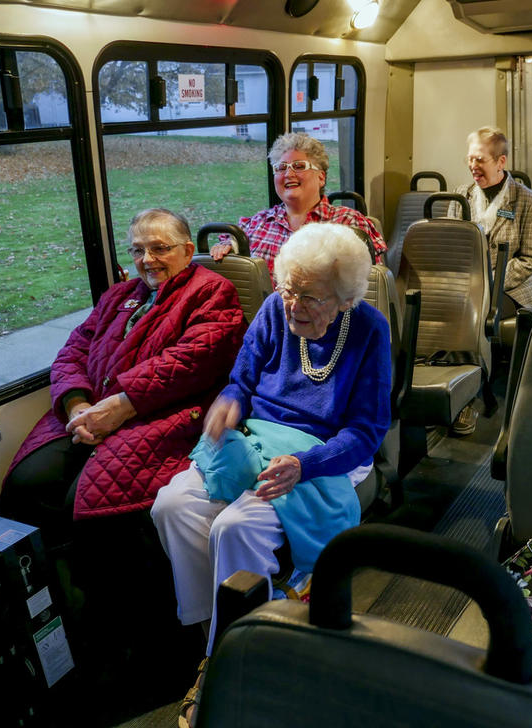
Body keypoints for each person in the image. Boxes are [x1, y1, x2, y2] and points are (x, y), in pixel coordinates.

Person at [151, 222, 391, 728]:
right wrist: (229, 405)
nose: (293, 306)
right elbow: (241, 379)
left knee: (235, 527)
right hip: (260, 434)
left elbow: (367, 431)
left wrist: (307, 464)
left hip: (327, 450)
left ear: (345, 299)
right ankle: (211, 637)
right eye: (288, 290)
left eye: (310, 298)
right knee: (170, 506)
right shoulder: (274, 309)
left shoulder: (369, 328)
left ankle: (234, 659)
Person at [0, 208, 246, 663]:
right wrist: (78, 405)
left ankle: (127, 632)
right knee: (26, 484)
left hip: (163, 415)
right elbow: (74, 349)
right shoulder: (117, 297)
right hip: (93, 411)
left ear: (189, 251)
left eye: (160, 248)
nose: (148, 259)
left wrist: (123, 404)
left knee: (89, 503)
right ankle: (52, 618)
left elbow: (194, 359)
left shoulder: (212, 292)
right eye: (138, 250)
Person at [447, 126, 532, 436]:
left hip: (510, 285)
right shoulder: (461, 196)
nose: (473, 166)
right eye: (469, 159)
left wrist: (489, 283)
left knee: (474, 319)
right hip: (468, 284)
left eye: (480, 160)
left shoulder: (526, 201)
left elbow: (529, 260)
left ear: (501, 162)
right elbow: (451, 243)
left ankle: (472, 397)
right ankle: (451, 386)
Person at [210, 132, 387, 277]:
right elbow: (232, 246)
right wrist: (226, 247)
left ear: (321, 177)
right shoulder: (258, 223)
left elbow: (370, 287)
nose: (288, 174)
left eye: (299, 166)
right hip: (265, 317)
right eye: (281, 167)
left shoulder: (349, 223)